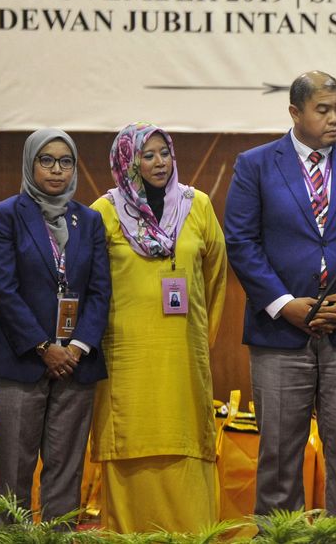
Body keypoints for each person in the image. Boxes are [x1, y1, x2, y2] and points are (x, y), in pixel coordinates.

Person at [224, 71, 336, 515]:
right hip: (279, 332)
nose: (335, 118)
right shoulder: (255, 164)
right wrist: (283, 305)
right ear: (295, 112)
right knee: (279, 453)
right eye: (323, 109)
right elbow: (240, 242)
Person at [90, 123, 227, 532]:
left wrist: (199, 344)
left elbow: (216, 277)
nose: (159, 162)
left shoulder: (197, 205)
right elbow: (91, 286)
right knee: (129, 446)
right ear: (126, 163)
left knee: (187, 453)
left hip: (183, 363)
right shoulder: (104, 211)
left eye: (163, 152)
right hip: (125, 365)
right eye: (146, 155)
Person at [0, 129, 110, 523]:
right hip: (19, 362)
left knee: (66, 472)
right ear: (30, 163)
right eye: (47, 160)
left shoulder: (89, 220)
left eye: (65, 161)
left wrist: (76, 348)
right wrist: (44, 347)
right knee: (14, 475)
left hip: (76, 364)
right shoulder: (4, 216)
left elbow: (100, 291)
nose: (57, 170)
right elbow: (2, 290)